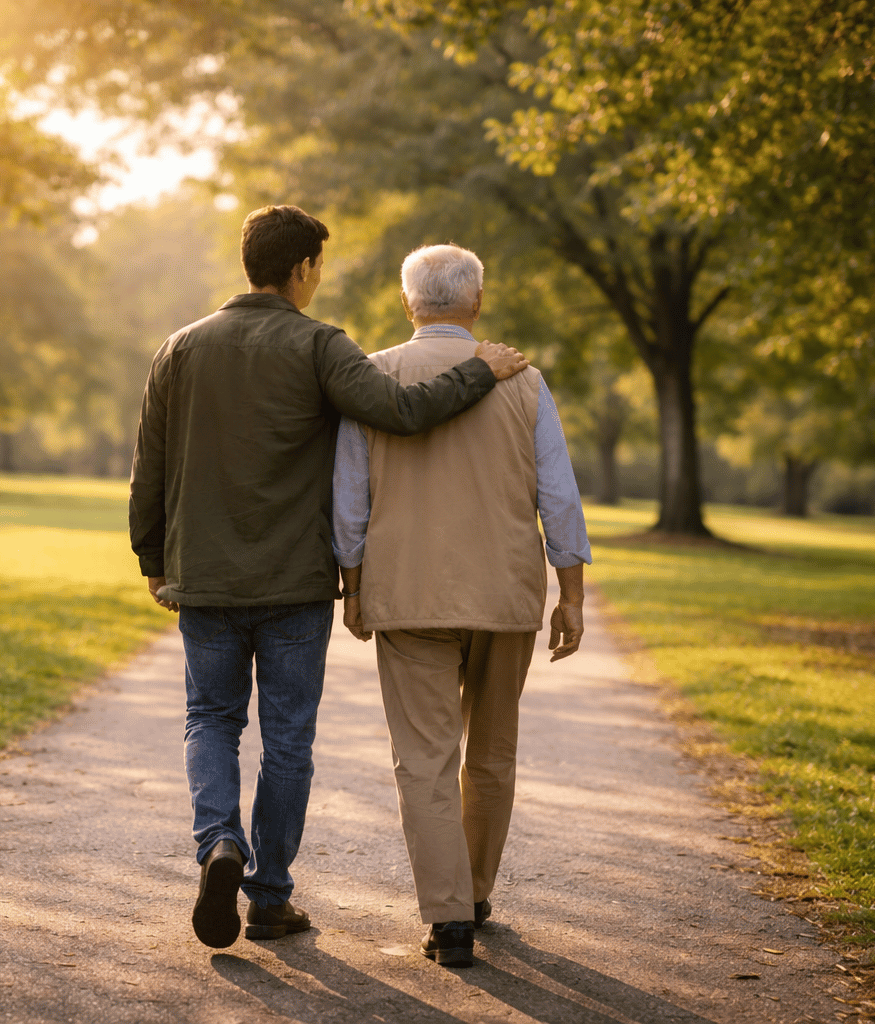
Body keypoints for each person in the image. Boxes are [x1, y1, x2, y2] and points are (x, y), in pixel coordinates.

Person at [129, 207, 531, 950]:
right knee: (288, 739)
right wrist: (483, 369)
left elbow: (148, 464)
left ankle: (219, 841)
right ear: (304, 268)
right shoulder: (321, 347)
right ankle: (270, 896)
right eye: (320, 264)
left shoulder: (180, 347)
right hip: (295, 585)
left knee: (211, 720)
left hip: (205, 578)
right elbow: (404, 413)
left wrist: (154, 561)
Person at [331, 242, 591, 968]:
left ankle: (448, 920)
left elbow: (350, 497)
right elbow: (559, 496)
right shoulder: (525, 381)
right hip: (505, 594)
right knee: (494, 751)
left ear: (407, 303)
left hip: (407, 593)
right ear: (476, 303)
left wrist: (354, 584)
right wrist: (570, 594)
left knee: (423, 759)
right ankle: (475, 894)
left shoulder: (372, 377)